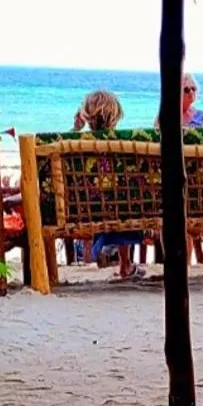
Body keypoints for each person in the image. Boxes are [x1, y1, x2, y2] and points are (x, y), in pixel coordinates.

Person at [74, 90, 145, 279]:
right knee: (124, 196)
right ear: (116, 115)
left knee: (110, 197)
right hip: (124, 208)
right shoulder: (126, 143)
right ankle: (125, 263)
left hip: (86, 207)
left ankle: (101, 249)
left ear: (86, 116)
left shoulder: (76, 143)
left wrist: (75, 128)